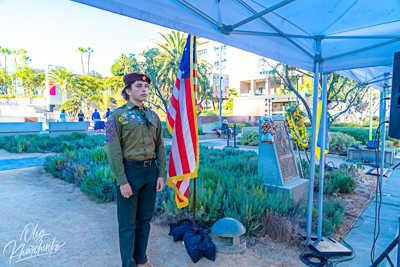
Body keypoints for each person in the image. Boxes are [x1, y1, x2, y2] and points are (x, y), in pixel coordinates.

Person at [106, 72, 166, 267]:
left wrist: (161, 174)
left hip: (150, 172)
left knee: (145, 221)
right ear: (128, 90)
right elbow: (113, 151)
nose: (144, 90)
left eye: (146, 86)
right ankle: (129, 264)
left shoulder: (153, 116)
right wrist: (122, 180)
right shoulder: (115, 117)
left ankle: (141, 260)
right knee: (127, 224)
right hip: (129, 173)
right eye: (139, 86)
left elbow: (160, 147)